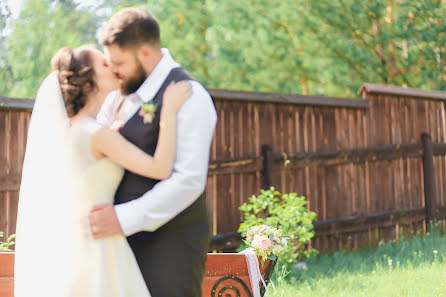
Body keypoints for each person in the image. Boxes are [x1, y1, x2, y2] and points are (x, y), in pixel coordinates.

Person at [14, 44, 191, 297]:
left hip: (71, 248)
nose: (113, 65)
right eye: (104, 64)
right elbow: (161, 168)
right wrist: (170, 111)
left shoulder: (71, 130)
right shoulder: (97, 134)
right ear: (88, 84)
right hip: (99, 247)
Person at [90, 7, 217, 297]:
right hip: (118, 238)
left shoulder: (190, 96)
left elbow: (188, 181)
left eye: (119, 62)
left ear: (145, 53)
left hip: (170, 243)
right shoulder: (119, 95)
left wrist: (124, 218)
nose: (114, 71)